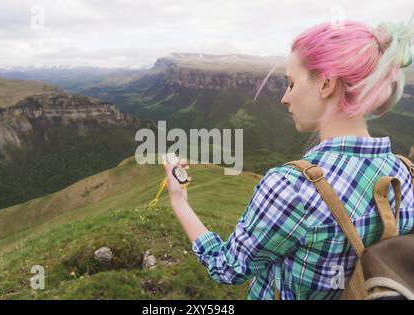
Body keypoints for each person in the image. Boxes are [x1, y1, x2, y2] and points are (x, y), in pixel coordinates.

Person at [163, 13, 414, 300]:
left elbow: (227, 268)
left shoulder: (292, 187)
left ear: (325, 84)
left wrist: (179, 200)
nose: (285, 97)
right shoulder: (406, 175)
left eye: (292, 83)